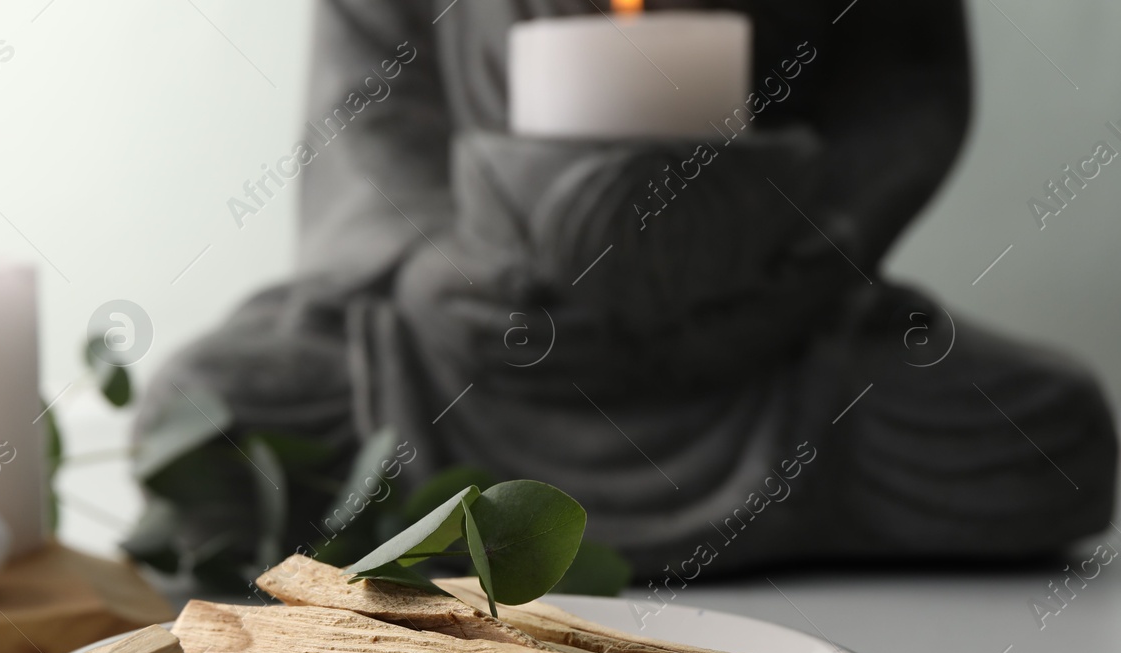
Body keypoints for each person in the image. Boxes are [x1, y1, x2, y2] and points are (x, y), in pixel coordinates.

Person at [133, 0, 1117, 581]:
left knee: (1048, 432)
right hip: (478, 348)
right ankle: (458, 502)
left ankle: (486, 517)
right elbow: (368, 119)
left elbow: (904, 88)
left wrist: (824, 242)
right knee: (218, 406)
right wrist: (431, 264)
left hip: (762, 334)